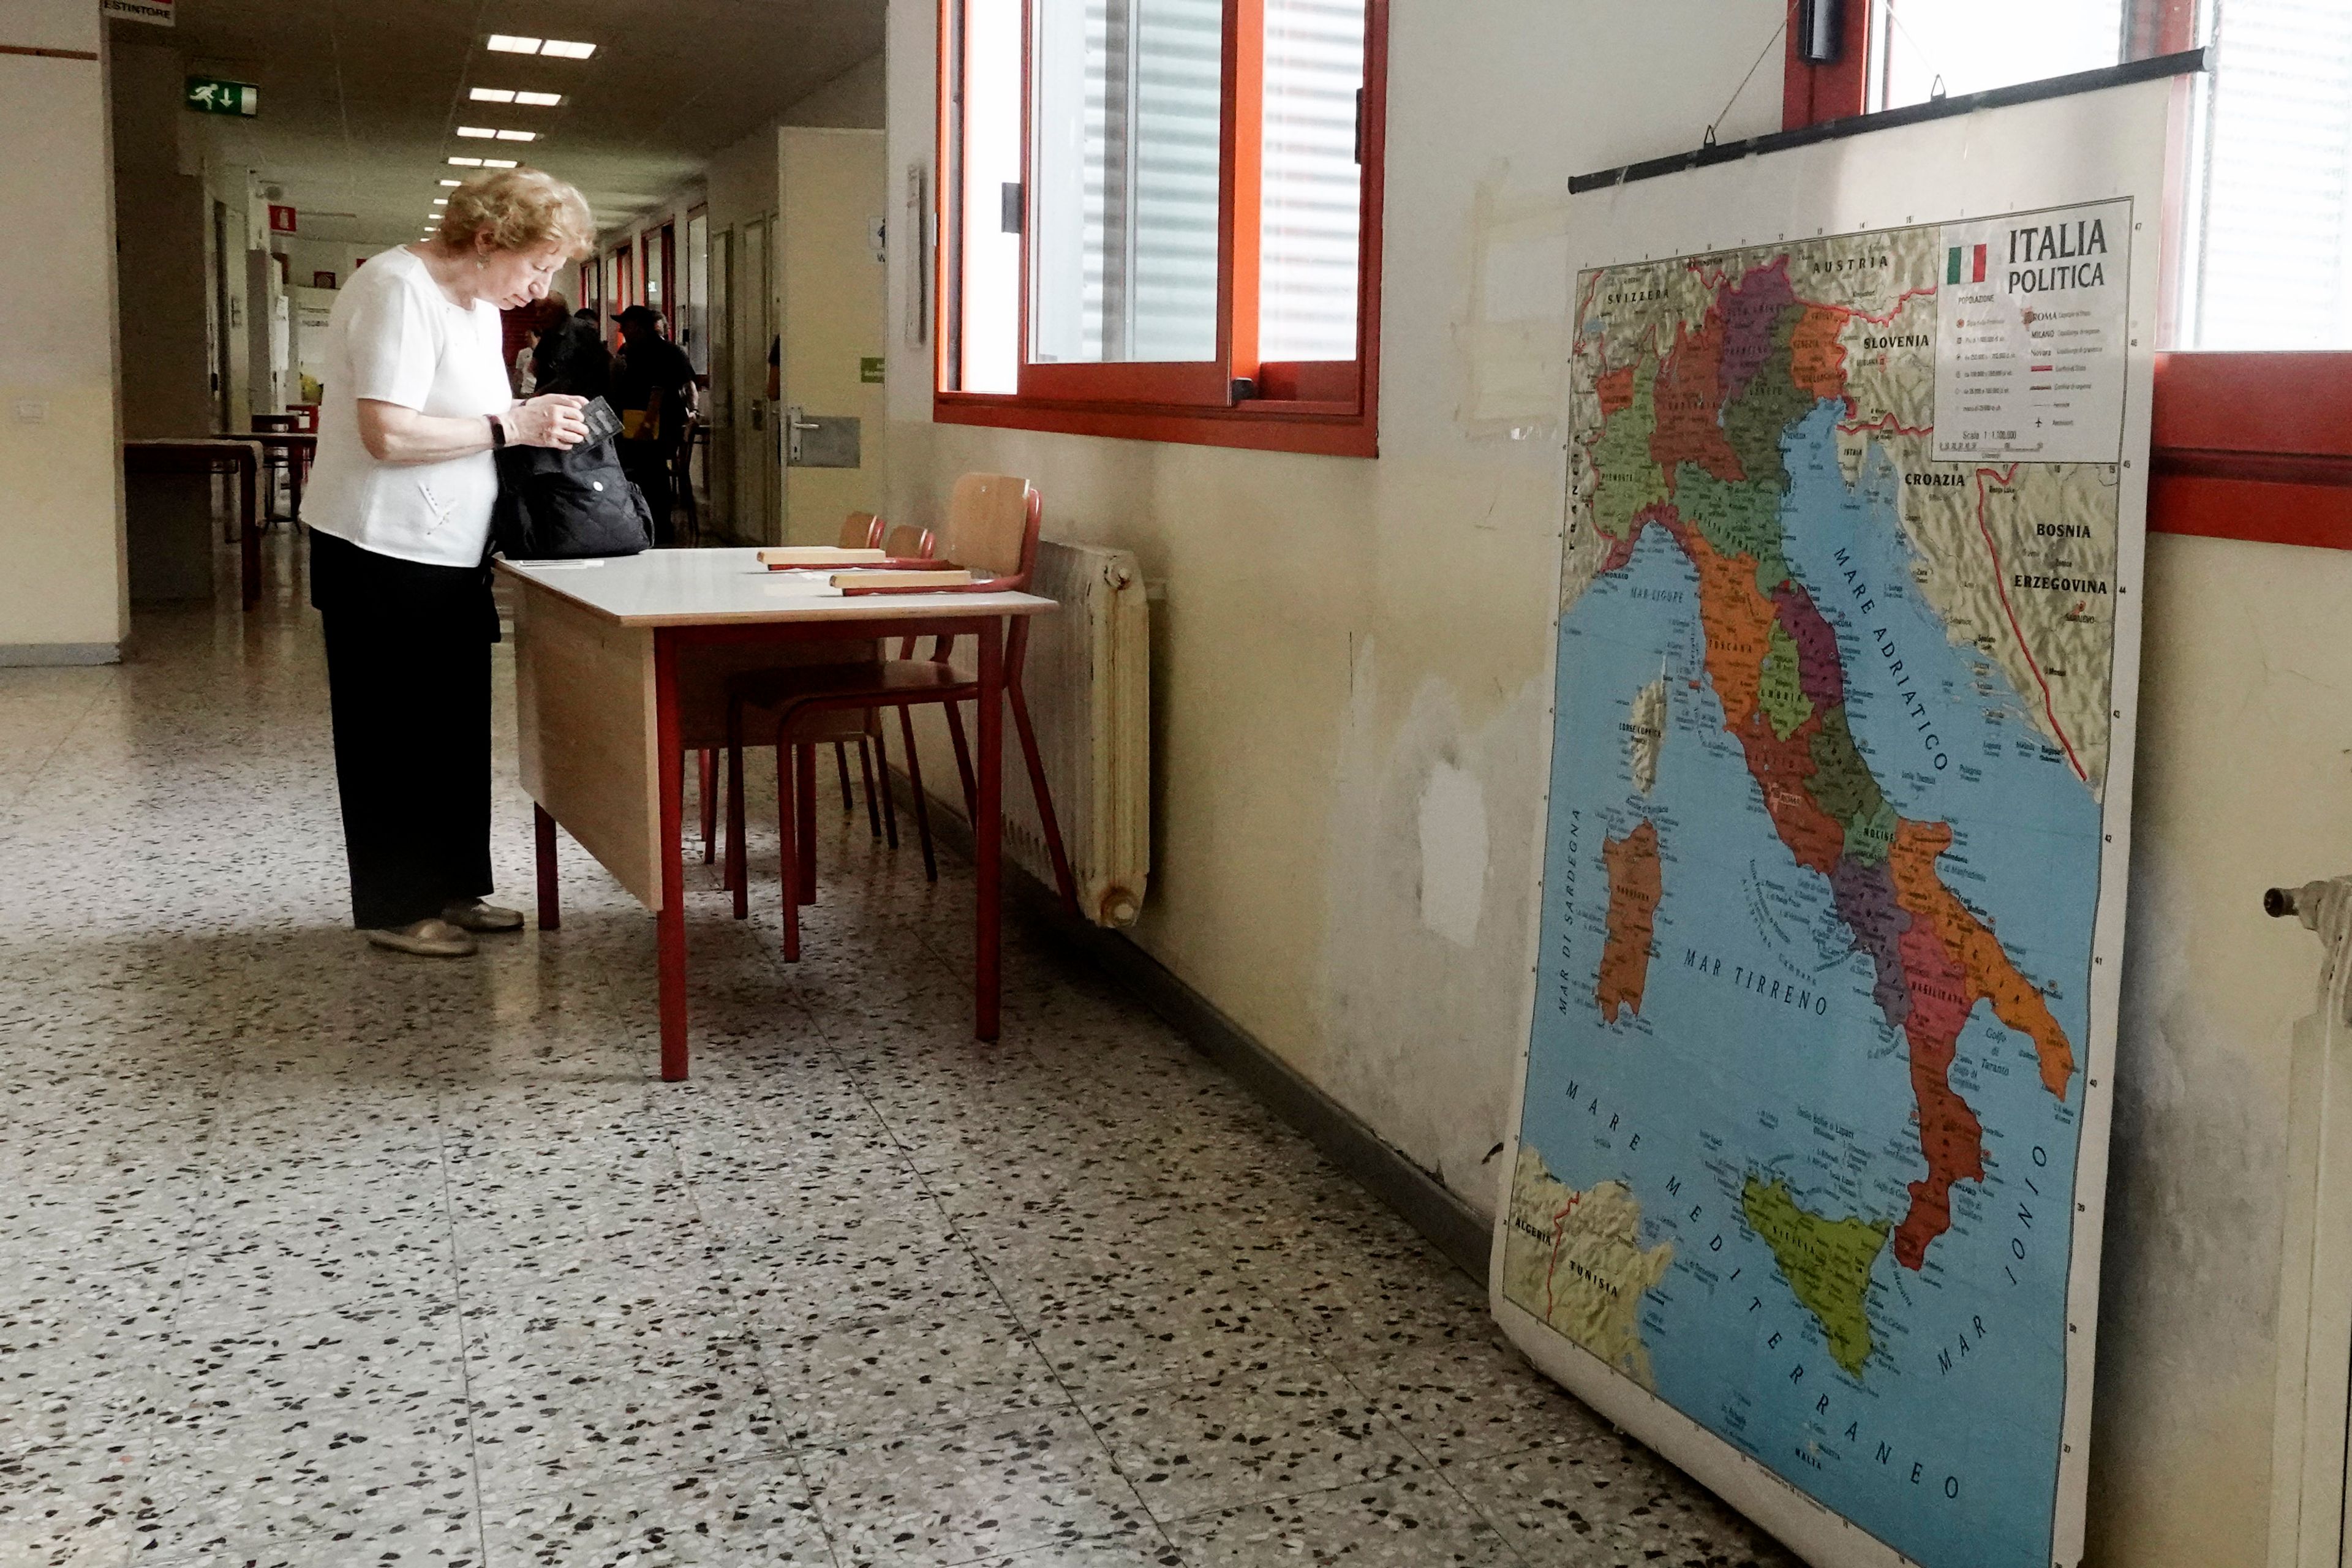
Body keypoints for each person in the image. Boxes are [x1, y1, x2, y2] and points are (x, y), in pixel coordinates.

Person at [299, 167, 594, 958]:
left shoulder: (471, 306)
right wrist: (513, 427)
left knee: (454, 730)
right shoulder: (398, 288)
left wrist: (526, 431)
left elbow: (477, 418)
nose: (539, 288)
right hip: (378, 548)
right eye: (536, 266)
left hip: (449, 551)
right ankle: (396, 905)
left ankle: (453, 886)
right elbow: (387, 434)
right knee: (391, 732)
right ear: (489, 238)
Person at [611, 304, 696, 545]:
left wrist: (647, 424)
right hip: (633, 423)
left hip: (656, 426)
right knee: (640, 474)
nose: (621, 329)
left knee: (653, 475)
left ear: (638, 327)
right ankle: (644, 523)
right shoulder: (630, 350)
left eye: (625, 325)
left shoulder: (663, 352)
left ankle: (659, 528)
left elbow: (659, 390)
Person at [530, 306, 612, 401]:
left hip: (575, 397)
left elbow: (567, 376)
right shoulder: (553, 334)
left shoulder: (577, 333)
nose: (538, 315)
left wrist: (540, 392)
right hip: (569, 397)